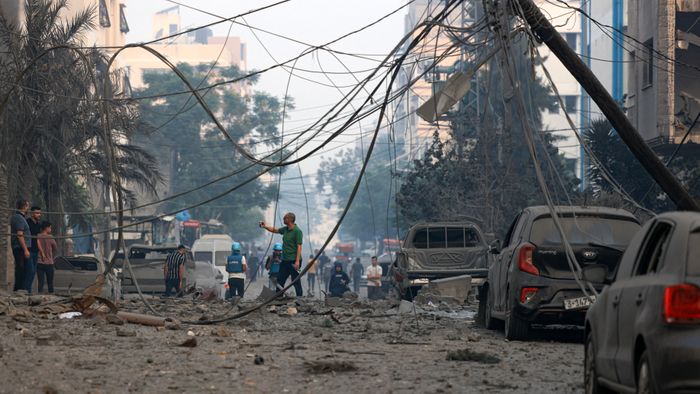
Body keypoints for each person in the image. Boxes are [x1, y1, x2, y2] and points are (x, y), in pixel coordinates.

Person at [260, 212, 303, 297]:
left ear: (290, 219)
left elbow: (299, 247)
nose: (283, 219)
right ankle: (279, 298)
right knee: (280, 280)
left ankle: (300, 299)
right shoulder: (285, 229)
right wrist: (265, 226)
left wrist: (297, 261)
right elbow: (275, 230)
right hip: (285, 260)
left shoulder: (297, 231)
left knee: (295, 281)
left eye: (285, 218)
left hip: (294, 260)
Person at [11, 200, 31, 292]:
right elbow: (20, 234)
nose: (28, 208)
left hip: (21, 248)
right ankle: (19, 290)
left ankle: (19, 289)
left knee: (23, 269)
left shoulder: (21, 218)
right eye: (28, 206)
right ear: (24, 206)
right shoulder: (18, 217)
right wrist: (25, 249)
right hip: (20, 248)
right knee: (21, 269)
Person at [36, 221, 57, 294]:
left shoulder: (37, 236)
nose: (50, 229)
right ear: (46, 228)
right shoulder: (50, 237)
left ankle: (39, 295)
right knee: (50, 282)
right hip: (49, 263)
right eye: (50, 227)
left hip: (39, 262)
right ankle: (51, 296)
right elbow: (55, 247)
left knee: (40, 282)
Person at [25, 206, 42, 293]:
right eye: (37, 213)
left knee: (33, 272)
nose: (39, 215)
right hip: (29, 249)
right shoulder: (27, 222)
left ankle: (28, 291)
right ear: (32, 213)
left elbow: (38, 239)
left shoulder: (39, 224)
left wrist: (41, 252)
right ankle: (27, 291)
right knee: (30, 271)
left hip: (35, 251)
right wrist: (25, 249)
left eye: (40, 213)